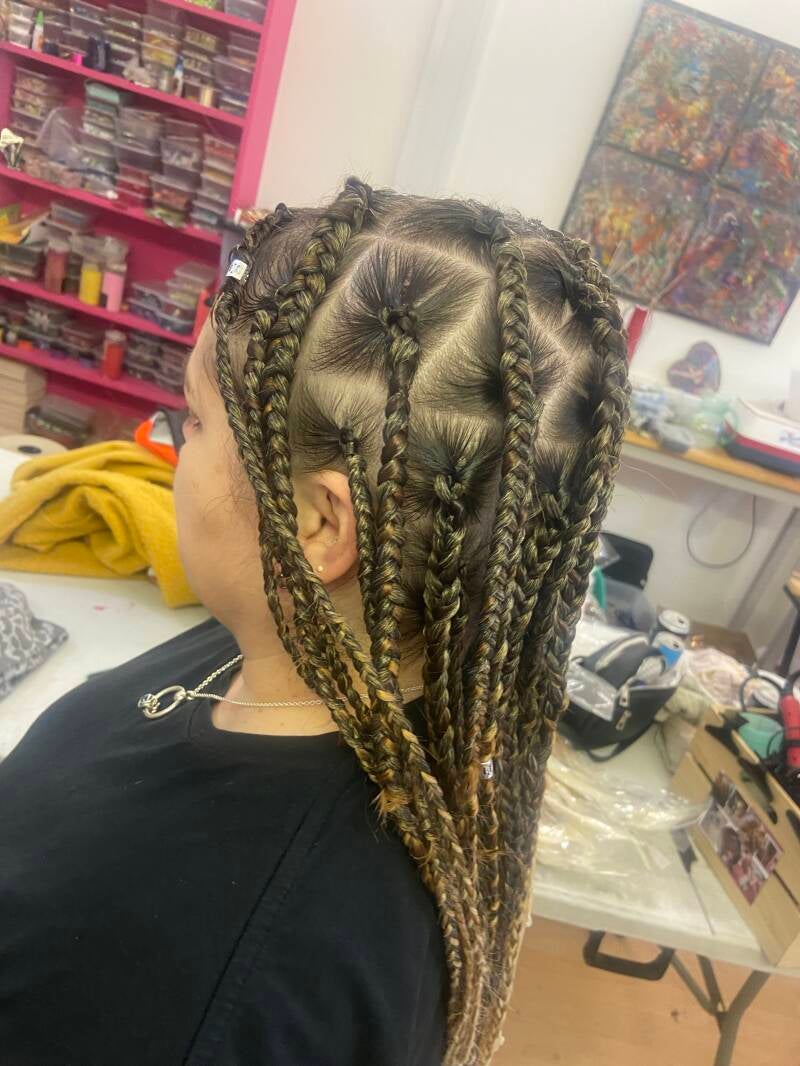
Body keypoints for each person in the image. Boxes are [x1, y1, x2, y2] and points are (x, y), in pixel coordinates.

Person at [0, 180, 628, 1066]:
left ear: (318, 525)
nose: (173, 451)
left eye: (193, 421)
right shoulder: (306, 645)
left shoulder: (233, 978)